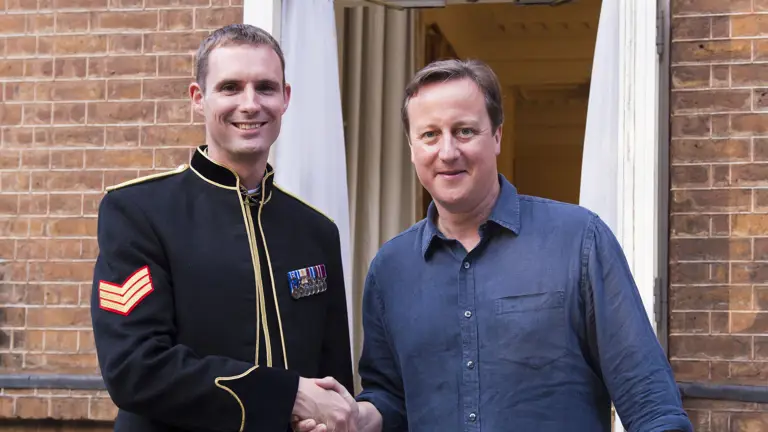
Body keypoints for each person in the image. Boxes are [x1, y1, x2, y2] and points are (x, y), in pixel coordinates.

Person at [317, 59, 694, 431]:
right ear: (412, 147)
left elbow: (651, 405)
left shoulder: (579, 241)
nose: (447, 152)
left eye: (464, 131)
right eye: (430, 134)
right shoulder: (391, 269)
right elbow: (391, 398)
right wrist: (357, 417)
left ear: (496, 135)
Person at [90, 24, 358, 432]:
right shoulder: (138, 212)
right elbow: (133, 368)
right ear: (199, 99)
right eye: (230, 87)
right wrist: (287, 396)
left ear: (285, 99)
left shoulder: (316, 231)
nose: (250, 104)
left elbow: (334, 382)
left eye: (266, 88)